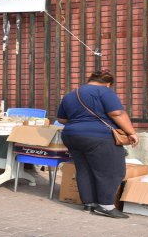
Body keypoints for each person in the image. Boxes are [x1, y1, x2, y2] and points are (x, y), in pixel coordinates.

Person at [56, 70, 139, 218]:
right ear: (108, 84)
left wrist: (80, 123)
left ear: (90, 80)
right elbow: (117, 113)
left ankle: (89, 203)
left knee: (84, 169)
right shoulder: (104, 92)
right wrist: (131, 132)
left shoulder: (71, 95)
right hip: (99, 137)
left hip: (71, 136)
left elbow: (62, 119)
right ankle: (106, 206)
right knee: (112, 170)